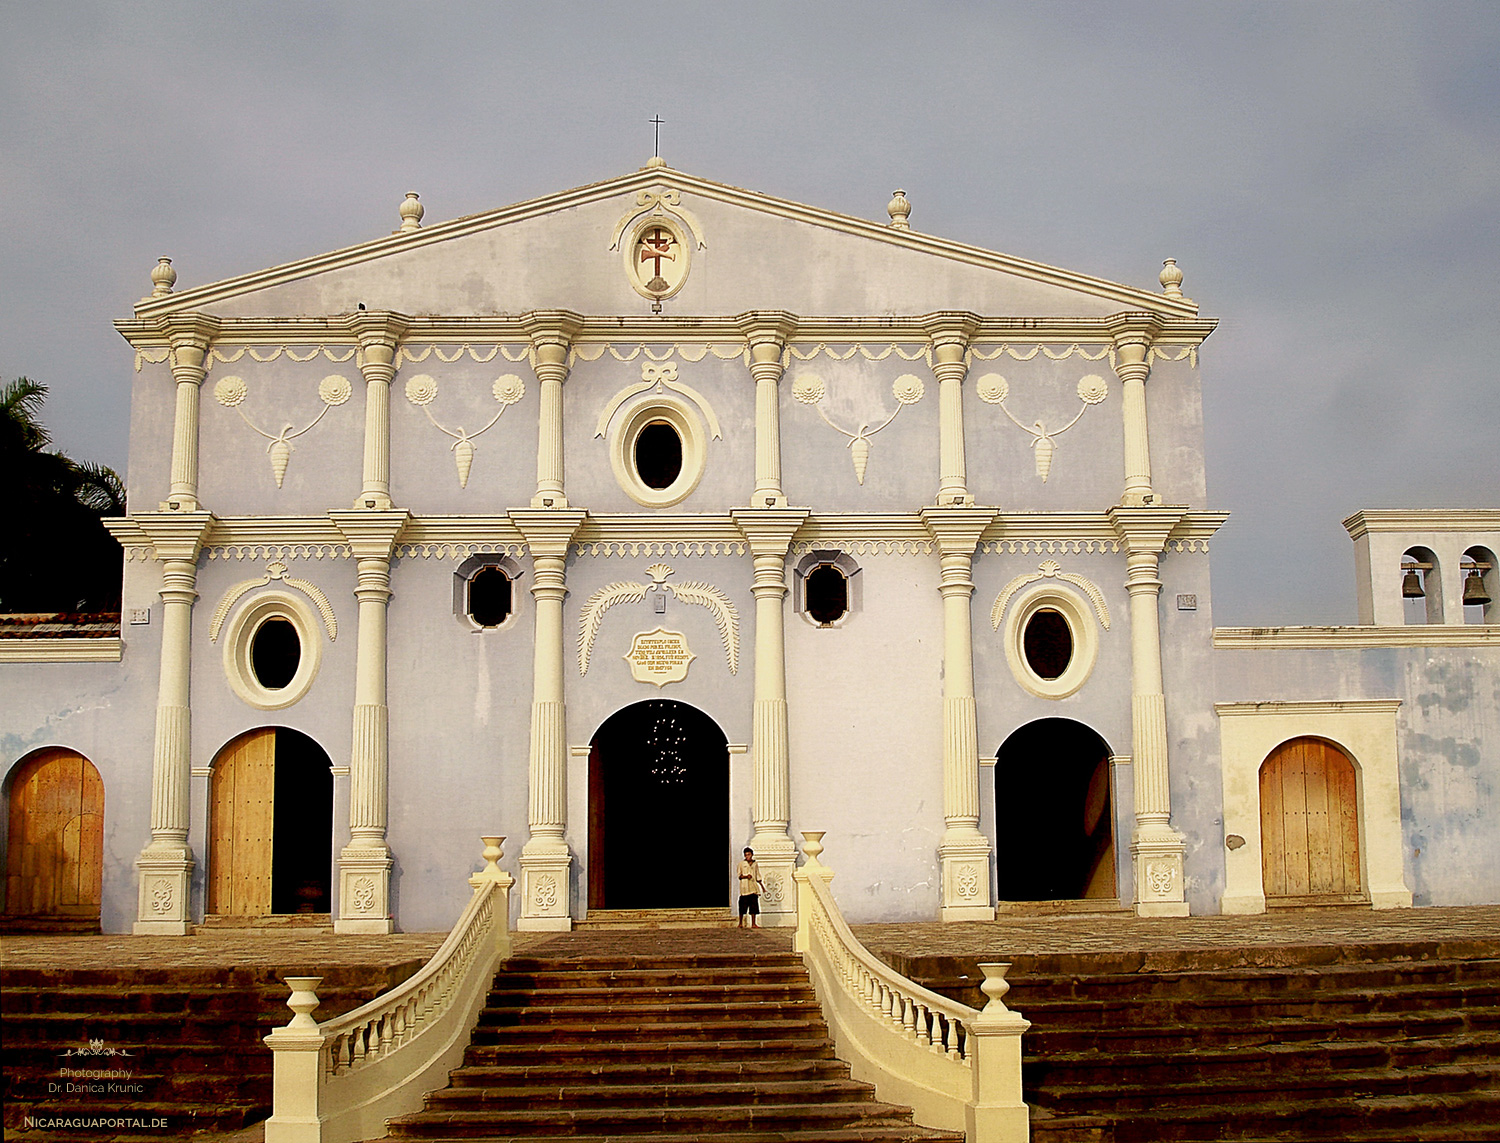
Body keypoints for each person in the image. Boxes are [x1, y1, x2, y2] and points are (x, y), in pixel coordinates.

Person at [737, 847, 763, 928]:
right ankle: (740, 923)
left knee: (754, 907)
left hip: (753, 887)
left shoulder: (755, 864)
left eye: (749, 854)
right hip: (744, 888)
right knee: (742, 907)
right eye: (746, 855)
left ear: (752, 855)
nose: (747, 856)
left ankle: (753, 923)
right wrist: (745, 876)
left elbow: (757, 876)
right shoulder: (741, 864)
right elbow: (739, 875)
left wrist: (761, 886)